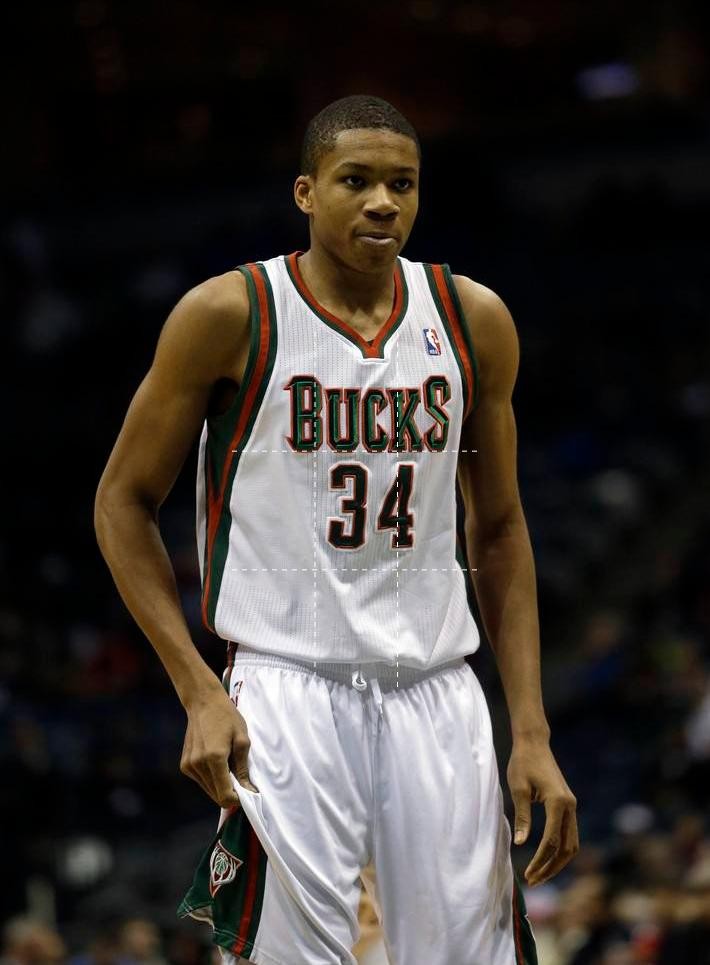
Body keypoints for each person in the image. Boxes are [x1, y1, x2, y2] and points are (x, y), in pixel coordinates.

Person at [95, 94, 578, 965]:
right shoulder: (229, 313)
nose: (383, 202)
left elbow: (500, 527)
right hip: (289, 686)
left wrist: (532, 731)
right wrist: (198, 688)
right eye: (356, 181)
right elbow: (121, 502)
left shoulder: (472, 319)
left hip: (438, 689)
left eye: (403, 183)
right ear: (306, 192)